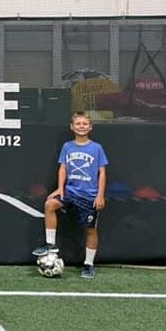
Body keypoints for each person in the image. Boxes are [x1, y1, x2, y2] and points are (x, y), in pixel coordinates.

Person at [32, 111, 108, 279]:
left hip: (89, 195)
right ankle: (50, 245)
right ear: (72, 127)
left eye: (85, 124)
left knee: (90, 230)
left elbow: (102, 173)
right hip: (70, 192)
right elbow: (63, 168)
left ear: (90, 127)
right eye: (78, 124)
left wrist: (100, 195)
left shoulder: (96, 148)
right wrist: (60, 188)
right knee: (50, 204)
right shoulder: (67, 146)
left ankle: (88, 264)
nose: (81, 126)